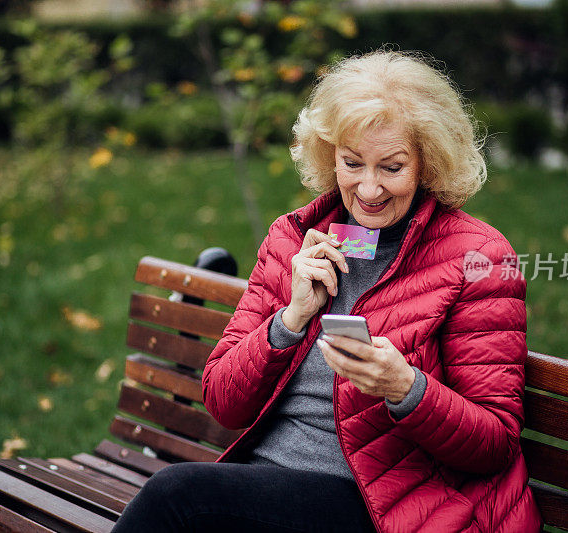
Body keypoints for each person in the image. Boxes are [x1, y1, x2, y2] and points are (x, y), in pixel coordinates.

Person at [112, 50, 543, 532]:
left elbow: (495, 443)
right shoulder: (296, 238)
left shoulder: (477, 257)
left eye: (393, 167)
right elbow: (223, 403)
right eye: (352, 163)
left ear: (429, 162)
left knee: (175, 498)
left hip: (381, 506)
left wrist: (406, 389)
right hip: (264, 485)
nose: (370, 189)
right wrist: (290, 319)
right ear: (329, 154)